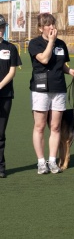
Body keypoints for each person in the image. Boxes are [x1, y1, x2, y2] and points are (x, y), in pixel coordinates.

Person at [28, 13, 74, 175]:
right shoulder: (35, 43)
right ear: (40, 28)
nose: (52, 27)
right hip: (40, 89)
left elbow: (62, 64)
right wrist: (50, 42)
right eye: (48, 25)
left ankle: (52, 160)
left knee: (56, 127)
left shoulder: (61, 44)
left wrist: (70, 71)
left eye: (53, 24)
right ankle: (41, 162)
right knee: (40, 126)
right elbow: (44, 59)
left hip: (58, 88)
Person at [0, 15, 22, 178]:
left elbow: (12, 71)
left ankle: (0, 167)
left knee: (0, 133)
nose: (1, 30)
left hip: (5, 95)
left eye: (2, 27)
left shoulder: (11, 48)